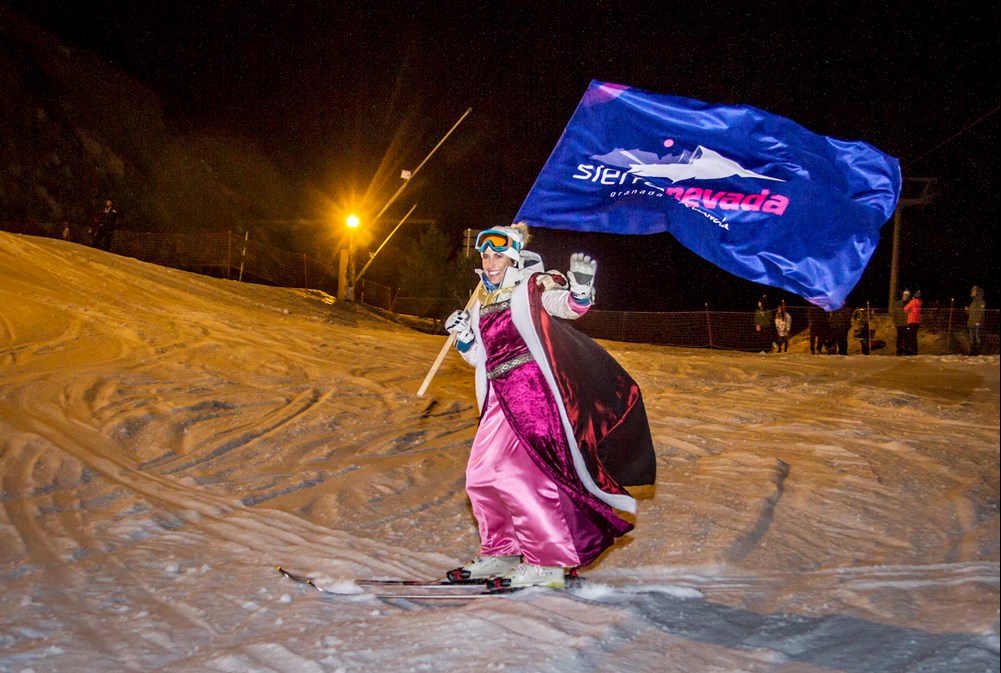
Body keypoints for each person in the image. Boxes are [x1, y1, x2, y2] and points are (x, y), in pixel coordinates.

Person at [443, 224, 656, 589]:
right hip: (498, 397)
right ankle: (500, 551)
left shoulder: (533, 284)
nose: (491, 262)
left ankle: (547, 560)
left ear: (513, 255)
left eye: (498, 254)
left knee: (521, 477)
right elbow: (480, 357)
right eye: (486, 255)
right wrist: (464, 338)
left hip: (532, 395)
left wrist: (582, 289)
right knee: (479, 477)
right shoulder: (482, 298)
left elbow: (566, 307)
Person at [966, 285, 986, 355]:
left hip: (977, 323)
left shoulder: (981, 301)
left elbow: (981, 312)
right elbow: (971, 313)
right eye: (972, 291)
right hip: (971, 322)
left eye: (974, 291)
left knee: (977, 337)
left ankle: (978, 352)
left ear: (978, 292)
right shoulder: (973, 302)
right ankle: (972, 352)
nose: (972, 292)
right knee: (971, 338)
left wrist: (978, 321)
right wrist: (967, 310)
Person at [903, 290, 923, 355]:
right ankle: (915, 350)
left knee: (910, 336)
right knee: (914, 337)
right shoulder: (920, 303)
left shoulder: (913, 302)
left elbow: (905, 309)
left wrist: (909, 310)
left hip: (911, 321)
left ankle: (910, 350)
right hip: (917, 322)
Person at [893, 289, 911, 356]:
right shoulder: (898, 303)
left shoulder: (910, 304)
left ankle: (906, 350)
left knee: (906, 338)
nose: (905, 296)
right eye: (904, 295)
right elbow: (895, 313)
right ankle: (899, 350)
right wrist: (895, 322)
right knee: (899, 338)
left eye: (907, 295)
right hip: (900, 324)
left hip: (906, 324)